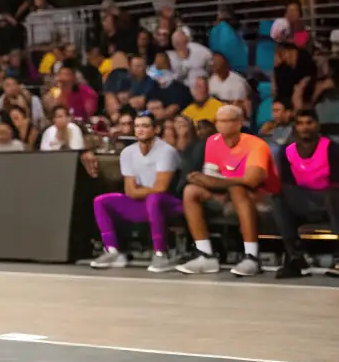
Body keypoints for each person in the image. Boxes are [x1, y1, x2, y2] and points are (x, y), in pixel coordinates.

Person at [176, 104, 280, 277]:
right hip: (228, 194)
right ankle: (206, 255)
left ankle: (251, 257)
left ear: (239, 123)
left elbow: (252, 180)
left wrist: (216, 182)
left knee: (237, 188)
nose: (221, 125)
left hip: (264, 197)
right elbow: (211, 176)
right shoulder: (213, 141)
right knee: (191, 191)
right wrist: (202, 180)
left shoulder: (256, 145)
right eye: (218, 121)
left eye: (226, 121)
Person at [90, 115, 182, 272]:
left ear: (156, 129)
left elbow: (161, 188)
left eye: (145, 126)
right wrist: (141, 190)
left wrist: (140, 190)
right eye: (137, 126)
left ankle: (161, 253)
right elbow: (129, 191)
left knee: (154, 198)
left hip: (170, 204)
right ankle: (113, 252)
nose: (140, 129)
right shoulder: (128, 152)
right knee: (101, 201)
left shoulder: (167, 151)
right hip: (143, 203)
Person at [272, 109, 339, 279]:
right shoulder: (286, 151)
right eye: (300, 123)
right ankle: (296, 258)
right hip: (303, 200)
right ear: (295, 127)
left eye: (309, 123)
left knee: (333, 194)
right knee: (279, 196)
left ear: (317, 125)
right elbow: (287, 185)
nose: (305, 128)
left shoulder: (332, 148)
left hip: (329, 200)